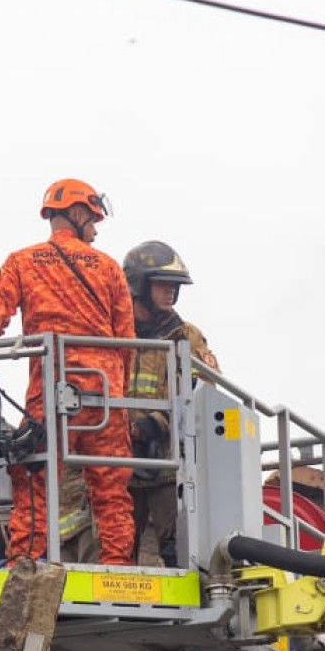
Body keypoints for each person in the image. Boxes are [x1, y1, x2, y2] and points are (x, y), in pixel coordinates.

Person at [0, 179, 137, 565]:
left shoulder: (22, 262)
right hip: (105, 395)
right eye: (92, 220)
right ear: (75, 214)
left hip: (53, 392)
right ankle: (116, 573)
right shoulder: (108, 268)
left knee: (34, 483)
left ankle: (24, 568)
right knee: (111, 492)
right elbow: (127, 341)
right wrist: (123, 404)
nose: (95, 229)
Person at [121, 239, 218, 567]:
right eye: (163, 284)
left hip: (169, 463)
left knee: (178, 547)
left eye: (175, 286)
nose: (171, 292)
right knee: (117, 547)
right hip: (119, 461)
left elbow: (206, 394)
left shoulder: (185, 337)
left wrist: (155, 425)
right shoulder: (112, 333)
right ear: (138, 285)